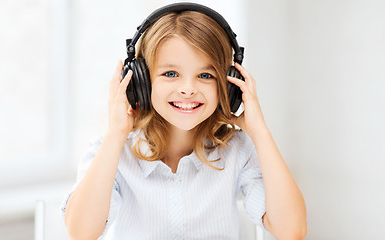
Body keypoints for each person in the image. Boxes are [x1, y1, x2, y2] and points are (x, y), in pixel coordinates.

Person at [61, 3, 307, 240]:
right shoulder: (113, 151)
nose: (188, 89)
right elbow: (81, 233)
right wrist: (115, 134)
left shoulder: (238, 150)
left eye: (205, 75)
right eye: (171, 74)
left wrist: (260, 132)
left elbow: (291, 231)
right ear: (141, 82)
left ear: (228, 84)